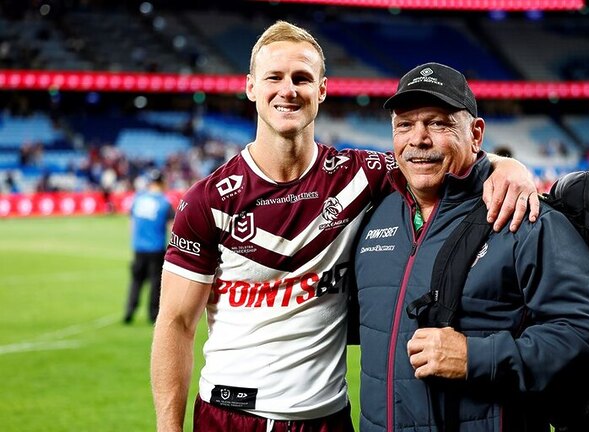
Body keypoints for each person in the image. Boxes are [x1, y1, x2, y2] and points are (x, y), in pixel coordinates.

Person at [150, 21, 540, 432]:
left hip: (327, 419)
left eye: (302, 78)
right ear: (250, 87)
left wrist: (507, 165)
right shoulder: (208, 199)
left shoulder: (360, 175)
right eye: (274, 78)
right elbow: (176, 322)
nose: (288, 90)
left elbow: (442, 159)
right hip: (228, 415)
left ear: (321, 89)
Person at [353, 62, 589, 432]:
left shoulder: (525, 217)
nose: (418, 139)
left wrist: (476, 356)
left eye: (438, 123)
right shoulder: (375, 214)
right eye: (405, 124)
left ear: (476, 134)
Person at [123, 169, 174, 324]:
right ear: (162, 183)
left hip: (139, 247)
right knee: (155, 282)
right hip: (156, 247)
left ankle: (129, 311)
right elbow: (172, 228)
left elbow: (131, 224)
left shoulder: (138, 199)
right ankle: (153, 314)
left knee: (136, 280)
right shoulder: (164, 203)